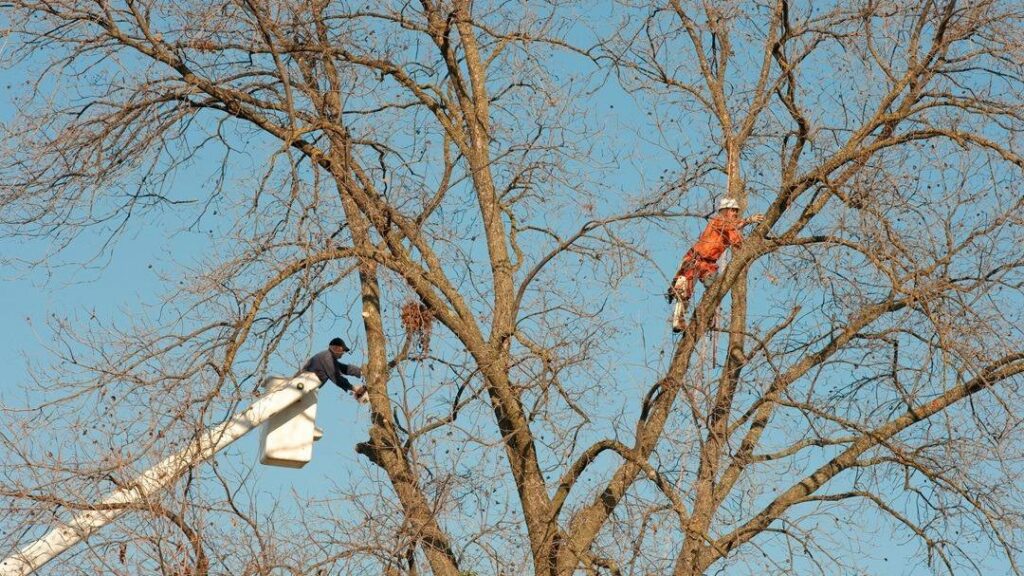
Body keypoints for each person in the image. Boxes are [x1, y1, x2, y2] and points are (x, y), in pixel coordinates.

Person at [668, 197, 765, 333]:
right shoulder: (718, 220)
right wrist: (748, 220)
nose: (735, 213)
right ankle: (678, 321)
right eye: (732, 210)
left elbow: (738, 243)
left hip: (708, 265)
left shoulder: (732, 229)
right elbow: (731, 225)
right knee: (684, 289)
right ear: (725, 211)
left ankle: (706, 317)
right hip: (695, 259)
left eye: (736, 211)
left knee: (715, 288)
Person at [298, 337, 367, 402]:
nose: (343, 353)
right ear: (336, 349)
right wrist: (353, 388)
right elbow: (336, 377)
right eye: (342, 350)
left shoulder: (328, 358)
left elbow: (343, 368)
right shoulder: (327, 358)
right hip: (302, 385)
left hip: (306, 387)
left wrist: (360, 372)